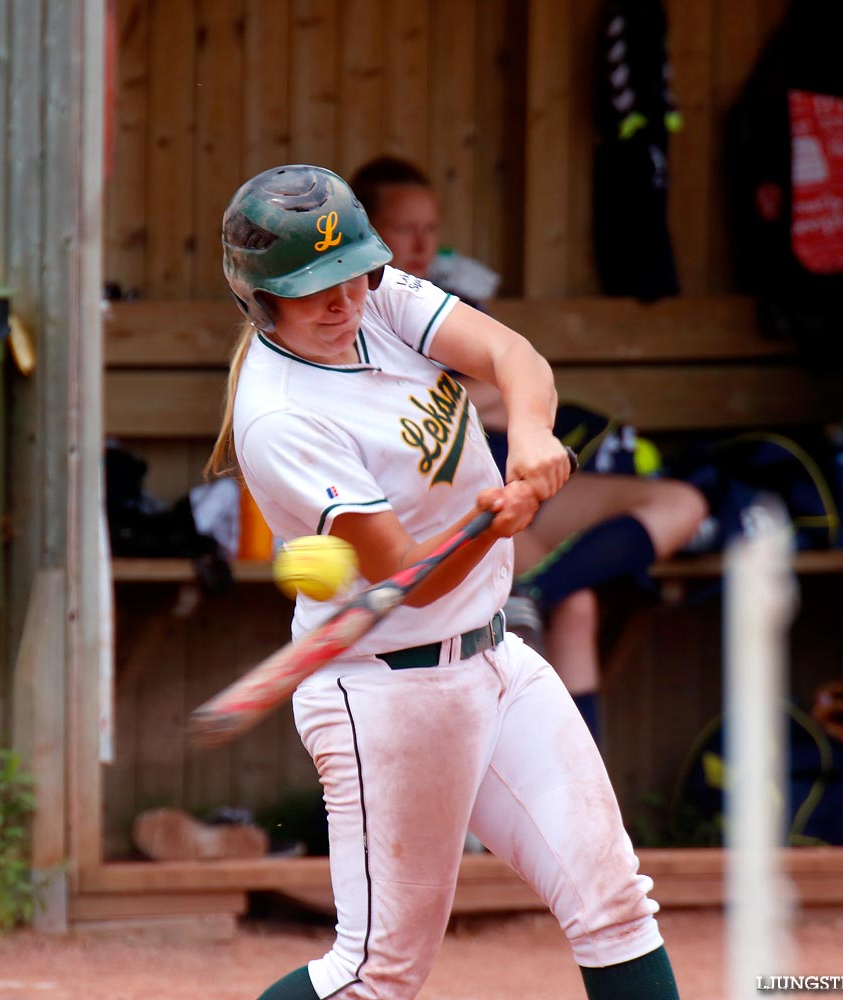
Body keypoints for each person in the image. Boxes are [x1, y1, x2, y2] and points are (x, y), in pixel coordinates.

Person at [208, 164, 679, 1000]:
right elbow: (408, 579)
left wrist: (530, 432)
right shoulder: (281, 418)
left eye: (349, 274)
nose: (341, 302)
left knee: (615, 909)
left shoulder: (378, 300)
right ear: (259, 299)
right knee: (375, 975)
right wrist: (498, 520)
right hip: (391, 693)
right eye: (311, 289)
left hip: (497, 657)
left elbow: (509, 353)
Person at [348, 156, 707, 744]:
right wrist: (478, 398)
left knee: (682, 503)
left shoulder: (444, 302)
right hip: (448, 507)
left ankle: (537, 593)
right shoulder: (353, 310)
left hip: (513, 483)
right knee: (577, 610)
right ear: (370, 232)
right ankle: (539, 803)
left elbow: (511, 375)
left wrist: (492, 401)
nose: (420, 243)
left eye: (430, 228)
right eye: (403, 227)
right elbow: (414, 410)